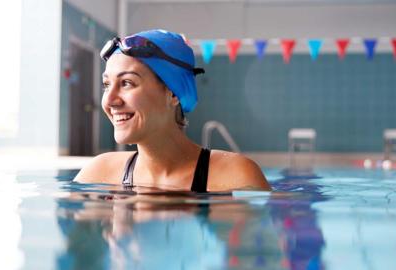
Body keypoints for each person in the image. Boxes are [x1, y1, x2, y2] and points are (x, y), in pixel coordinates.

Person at [74, 29, 271, 192]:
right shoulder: (98, 173)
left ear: (173, 93)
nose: (109, 100)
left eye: (127, 83)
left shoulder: (236, 177)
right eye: (106, 85)